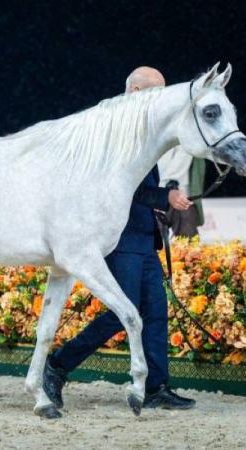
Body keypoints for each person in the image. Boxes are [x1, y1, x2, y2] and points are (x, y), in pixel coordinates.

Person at [43, 67, 197, 410]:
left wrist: (164, 196)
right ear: (134, 91)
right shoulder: (114, 133)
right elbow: (123, 190)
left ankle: (156, 386)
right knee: (118, 313)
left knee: (156, 313)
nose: (160, 100)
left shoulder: (142, 133)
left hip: (143, 236)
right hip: (121, 236)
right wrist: (164, 197)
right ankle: (57, 367)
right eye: (154, 92)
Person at [158, 146, 206, 237]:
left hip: (184, 195)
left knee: (188, 243)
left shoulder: (190, 139)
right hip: (155, 195)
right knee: (148, 241)